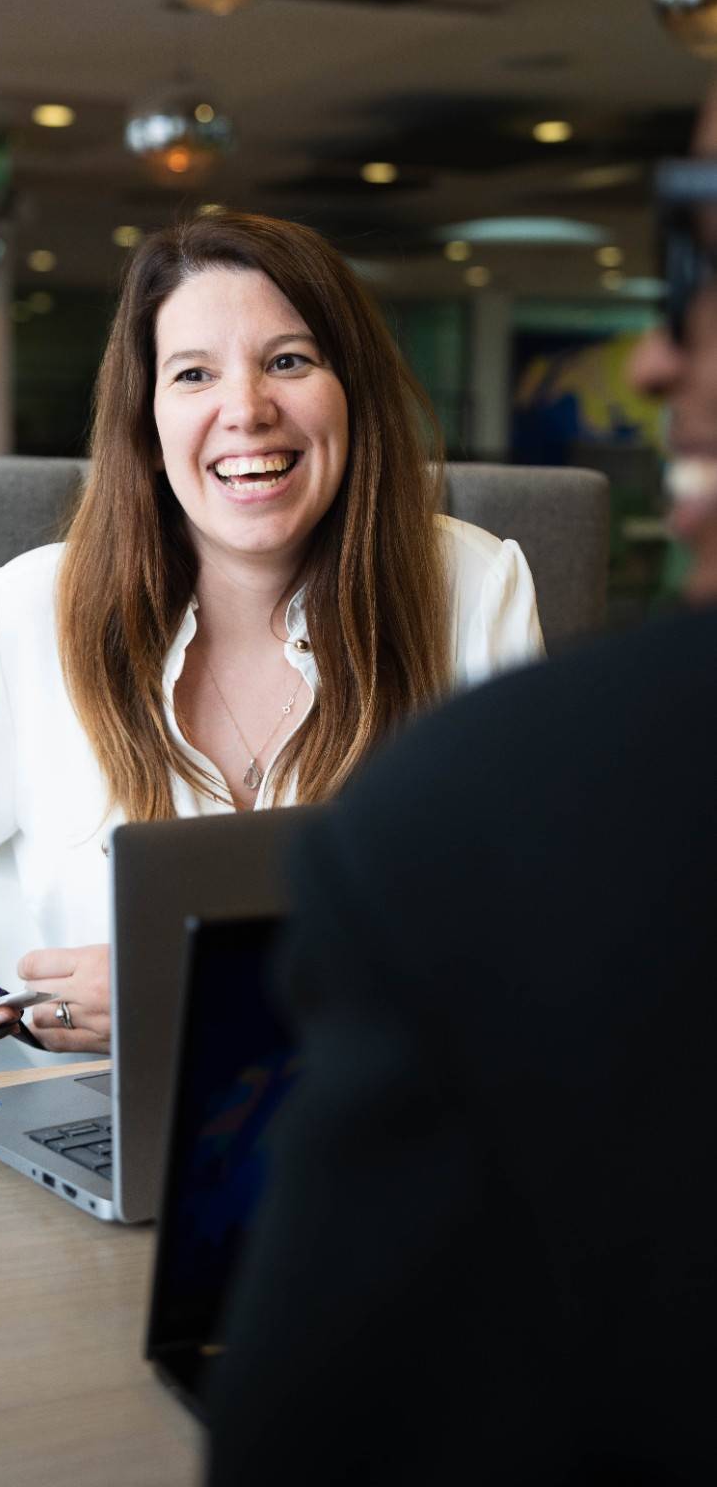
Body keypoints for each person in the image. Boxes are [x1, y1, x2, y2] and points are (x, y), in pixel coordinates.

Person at [205, 157, 717, 1480]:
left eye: (692, 265)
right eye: (189, 373)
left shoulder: (482, 794)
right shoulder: (24, 608)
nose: (653, 363)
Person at [0, 211, 542, 1084]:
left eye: (288, 360)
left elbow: (520, 918)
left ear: (352, 391)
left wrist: (198, 995)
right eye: (194, 373)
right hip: (59, 1125)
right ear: (148, 425)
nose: (245, 409)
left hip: (356, 1124)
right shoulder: (25, 609)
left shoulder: (474, 591)